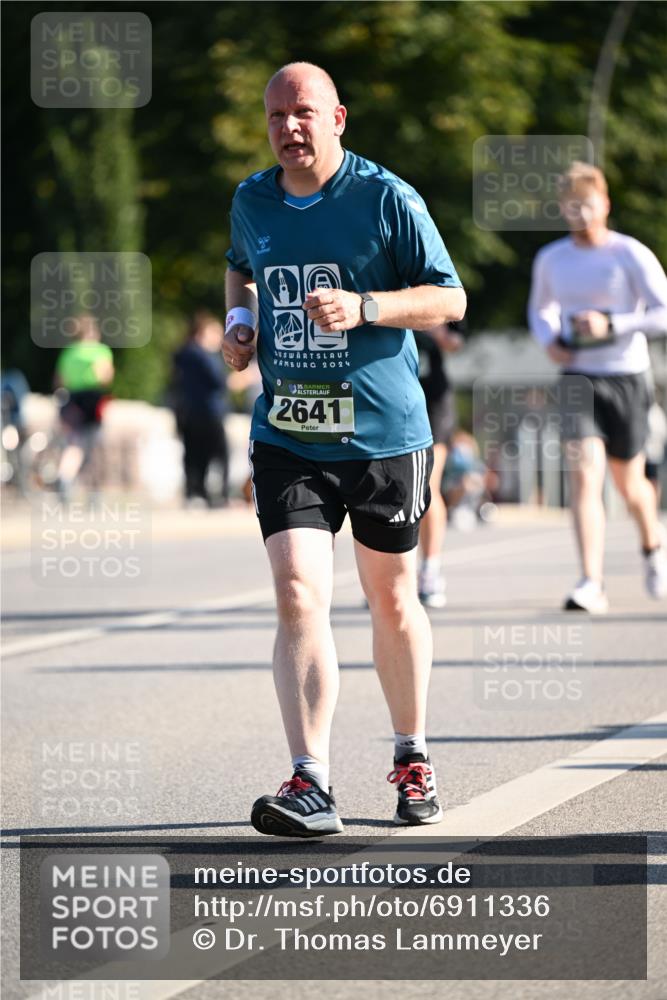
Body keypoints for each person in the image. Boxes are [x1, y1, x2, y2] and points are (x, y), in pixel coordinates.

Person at [223, 62, 465, 836]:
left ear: (337, 118)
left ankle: (411, 754)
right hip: (288, 431)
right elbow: (239, 271)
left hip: (382, 434)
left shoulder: (384, 198)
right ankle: (309, 780)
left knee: (390, 597)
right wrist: (240, 323)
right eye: (274, 116)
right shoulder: (252, 198)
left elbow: (448, 297)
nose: (287, 127)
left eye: (301, 112)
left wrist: (366, 306)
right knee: (297, 593)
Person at [528, 162, 667, 612]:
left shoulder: (630, 254)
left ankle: (653, 546)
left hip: (626, 375)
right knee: (585, 473)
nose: (580, 214)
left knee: (631, 485)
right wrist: (550, 340)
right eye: (571, 207)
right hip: (577, 377)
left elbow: (663, 312)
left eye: (587, 205)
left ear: (604, 204)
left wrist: (613, 323)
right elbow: (540, 310)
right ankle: (591, 581)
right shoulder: (552, 258)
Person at [414, 321, 463, 606]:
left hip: (432, 399)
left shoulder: (435, 278)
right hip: (387, 393)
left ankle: (430, 571)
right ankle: (391, 575)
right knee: (386, 487)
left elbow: (455, 341)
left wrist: (421, 325)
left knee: (426, 485)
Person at [172, 311, 229, 507]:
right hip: (210, 412)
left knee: (193, 456)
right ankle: (220, 496)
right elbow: (219, 381)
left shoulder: (182, 354)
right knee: (220, 455)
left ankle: (194, 493)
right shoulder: (205, 357)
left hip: (187, 412)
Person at [54, 314, 114, 501]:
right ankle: (94, 492)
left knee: (74, 444)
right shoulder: (99, 351)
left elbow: (59, 380)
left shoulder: (68, 352)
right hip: (92, 399)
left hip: (72, 399)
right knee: (93, 445)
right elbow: (105, 377)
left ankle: (65, 476)